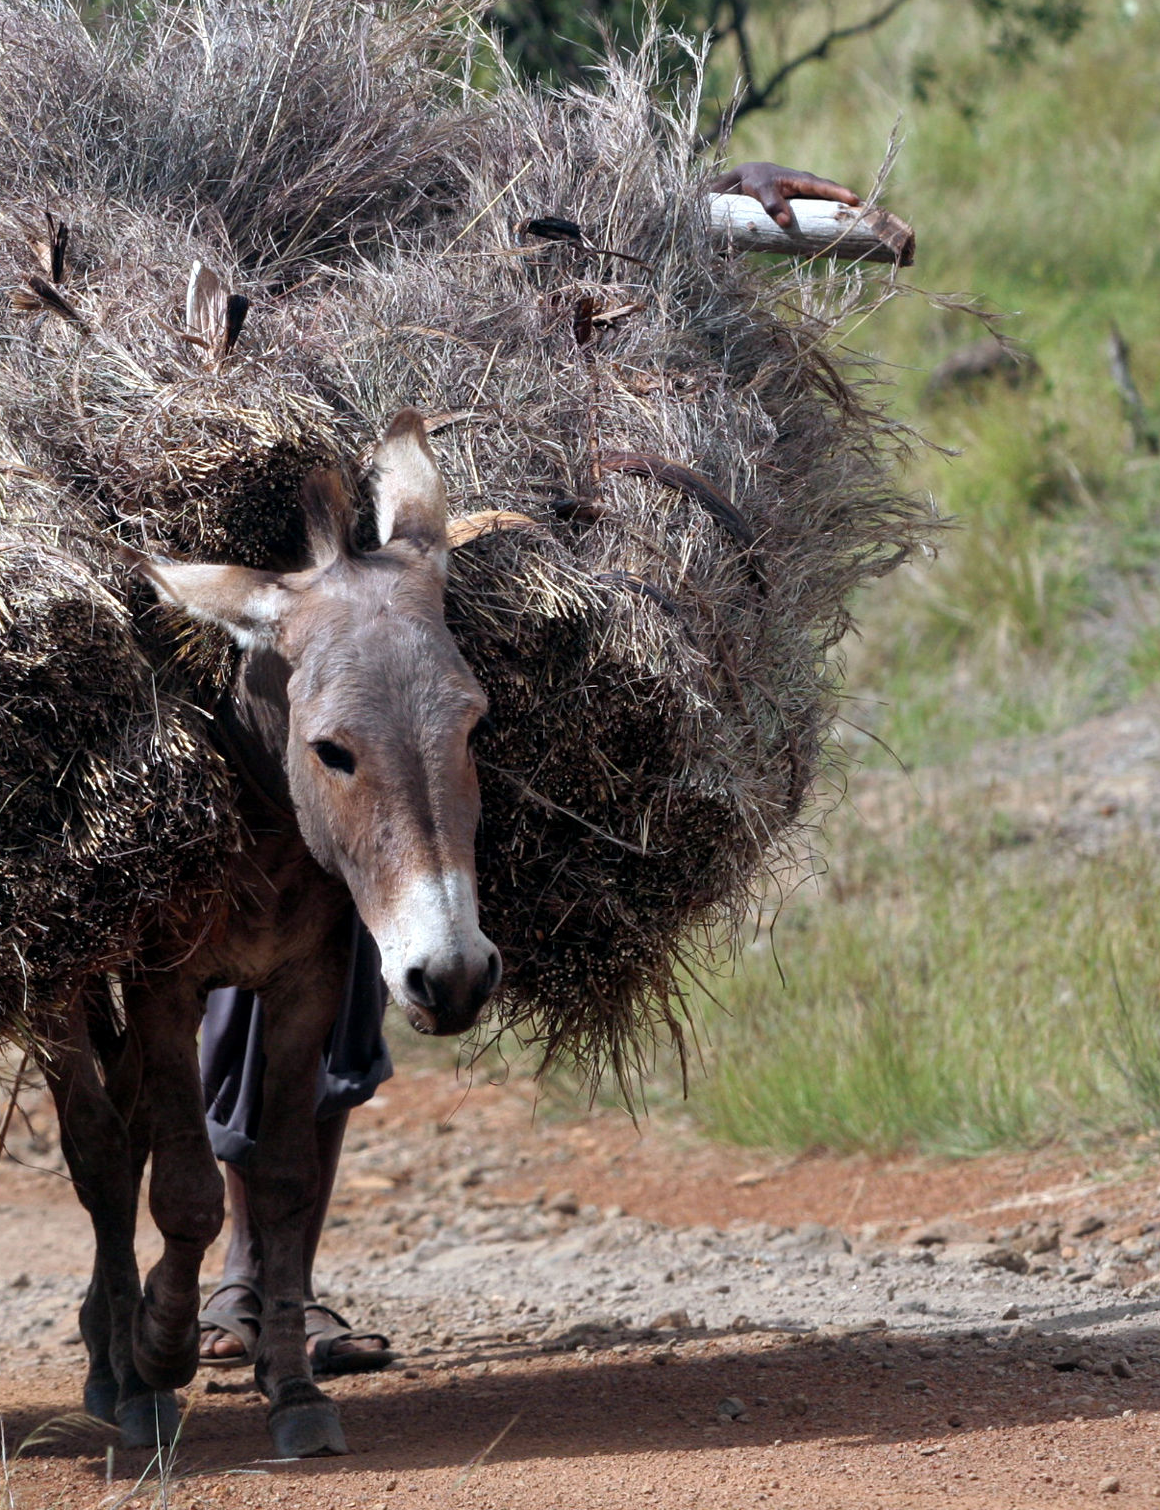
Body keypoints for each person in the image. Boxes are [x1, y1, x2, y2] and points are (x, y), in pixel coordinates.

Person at [193, 159, 866, 1375]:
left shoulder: (425, 301)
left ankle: (272, 1283)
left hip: (389, 750)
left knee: (335, 1007)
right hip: (280, 740)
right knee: (236, 1006)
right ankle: (230, 1273)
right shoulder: (228, 360)